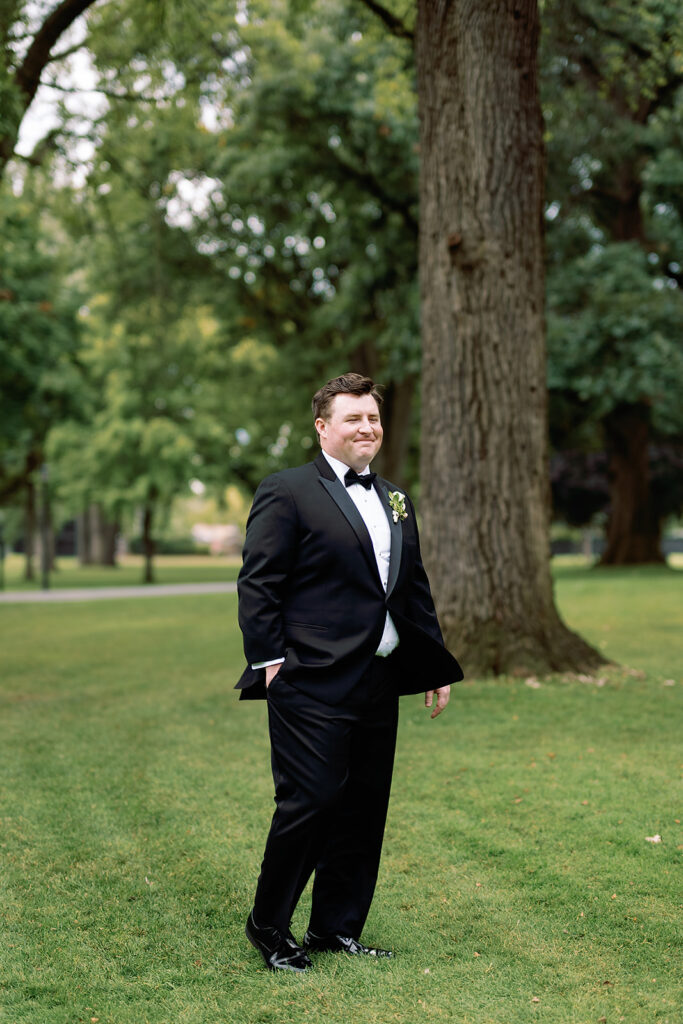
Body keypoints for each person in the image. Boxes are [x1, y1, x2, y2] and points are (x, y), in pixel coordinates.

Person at [236, 372, 463, 972]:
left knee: (364, 806)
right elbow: (259, 582)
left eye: (373, 418)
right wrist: (268, 660)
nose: (367, 428)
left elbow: (412, 587)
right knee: (310, 799)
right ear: (322, 428)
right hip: (306, 677)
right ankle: (268, 923)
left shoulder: (395, 497)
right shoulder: (286, 491)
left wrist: (433, 663)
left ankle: (335, 928)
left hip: (378, 677)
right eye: (353, 418)